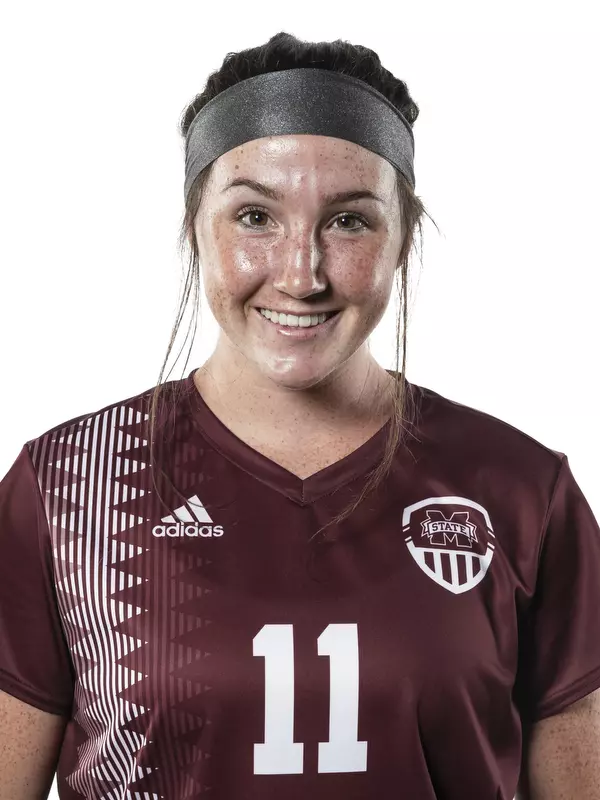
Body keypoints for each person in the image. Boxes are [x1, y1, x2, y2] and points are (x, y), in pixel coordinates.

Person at [1, 31, 599, 800]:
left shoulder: (520, 491)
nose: (301, 274)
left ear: (402, 239)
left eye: (349, 221)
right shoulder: (71, 488)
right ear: (195, 228)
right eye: (255, 217)